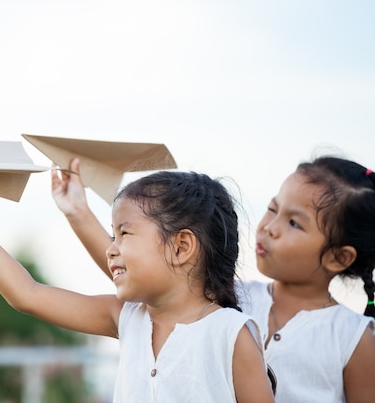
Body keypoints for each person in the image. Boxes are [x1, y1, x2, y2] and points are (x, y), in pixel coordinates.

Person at [0, 167, 275, 403]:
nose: (111, 249)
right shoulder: (126, 317)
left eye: (124, 233)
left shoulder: (231, 335)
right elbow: (26, 294)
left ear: (181, 247)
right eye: (112, 234)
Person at [51, 156, 375, 403]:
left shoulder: (354, 338)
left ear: (339, 257)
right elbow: (144, 270)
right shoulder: (232, 299)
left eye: (294, 223)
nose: (270, 226)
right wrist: (78, 213)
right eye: (273, 209)